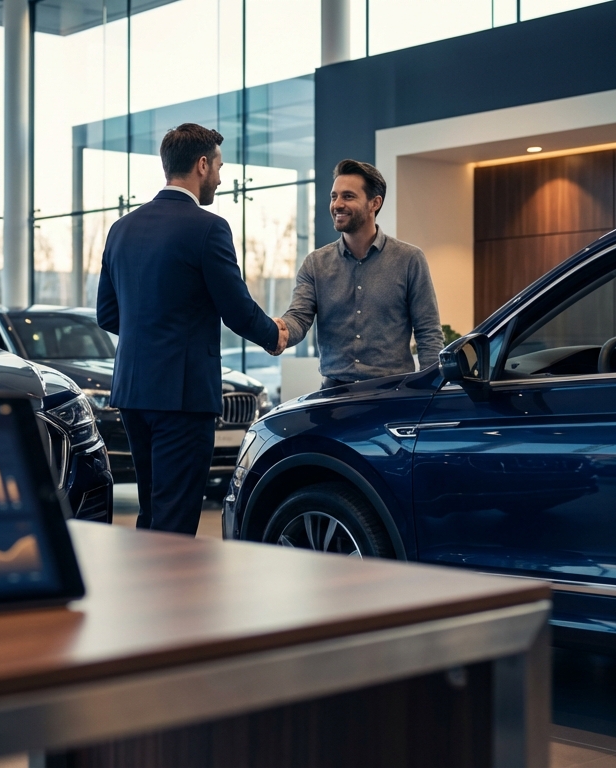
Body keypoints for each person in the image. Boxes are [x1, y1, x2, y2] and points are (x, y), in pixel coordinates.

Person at [97, 123, 285, 536]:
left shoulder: (121, 229)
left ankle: (144, 596)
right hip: (182, 396)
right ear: (202, 164)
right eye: (218, 166)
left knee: (150, 512)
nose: (220, 176)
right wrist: (275, 335)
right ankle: (171, 598)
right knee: (176, 519)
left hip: (132, 392)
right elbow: (235, 308)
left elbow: (107, 315)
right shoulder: (208, 227)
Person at [278, 159, 443, 389]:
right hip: (334, 397)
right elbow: (298, 318)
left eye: (348, 196)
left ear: (374, 203)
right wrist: (281, 331)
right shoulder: (315, 263)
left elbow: (428, 333)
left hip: (392, 394)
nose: (337, 204)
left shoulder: (409, 259)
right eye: (334, 196)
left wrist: (430, 390)